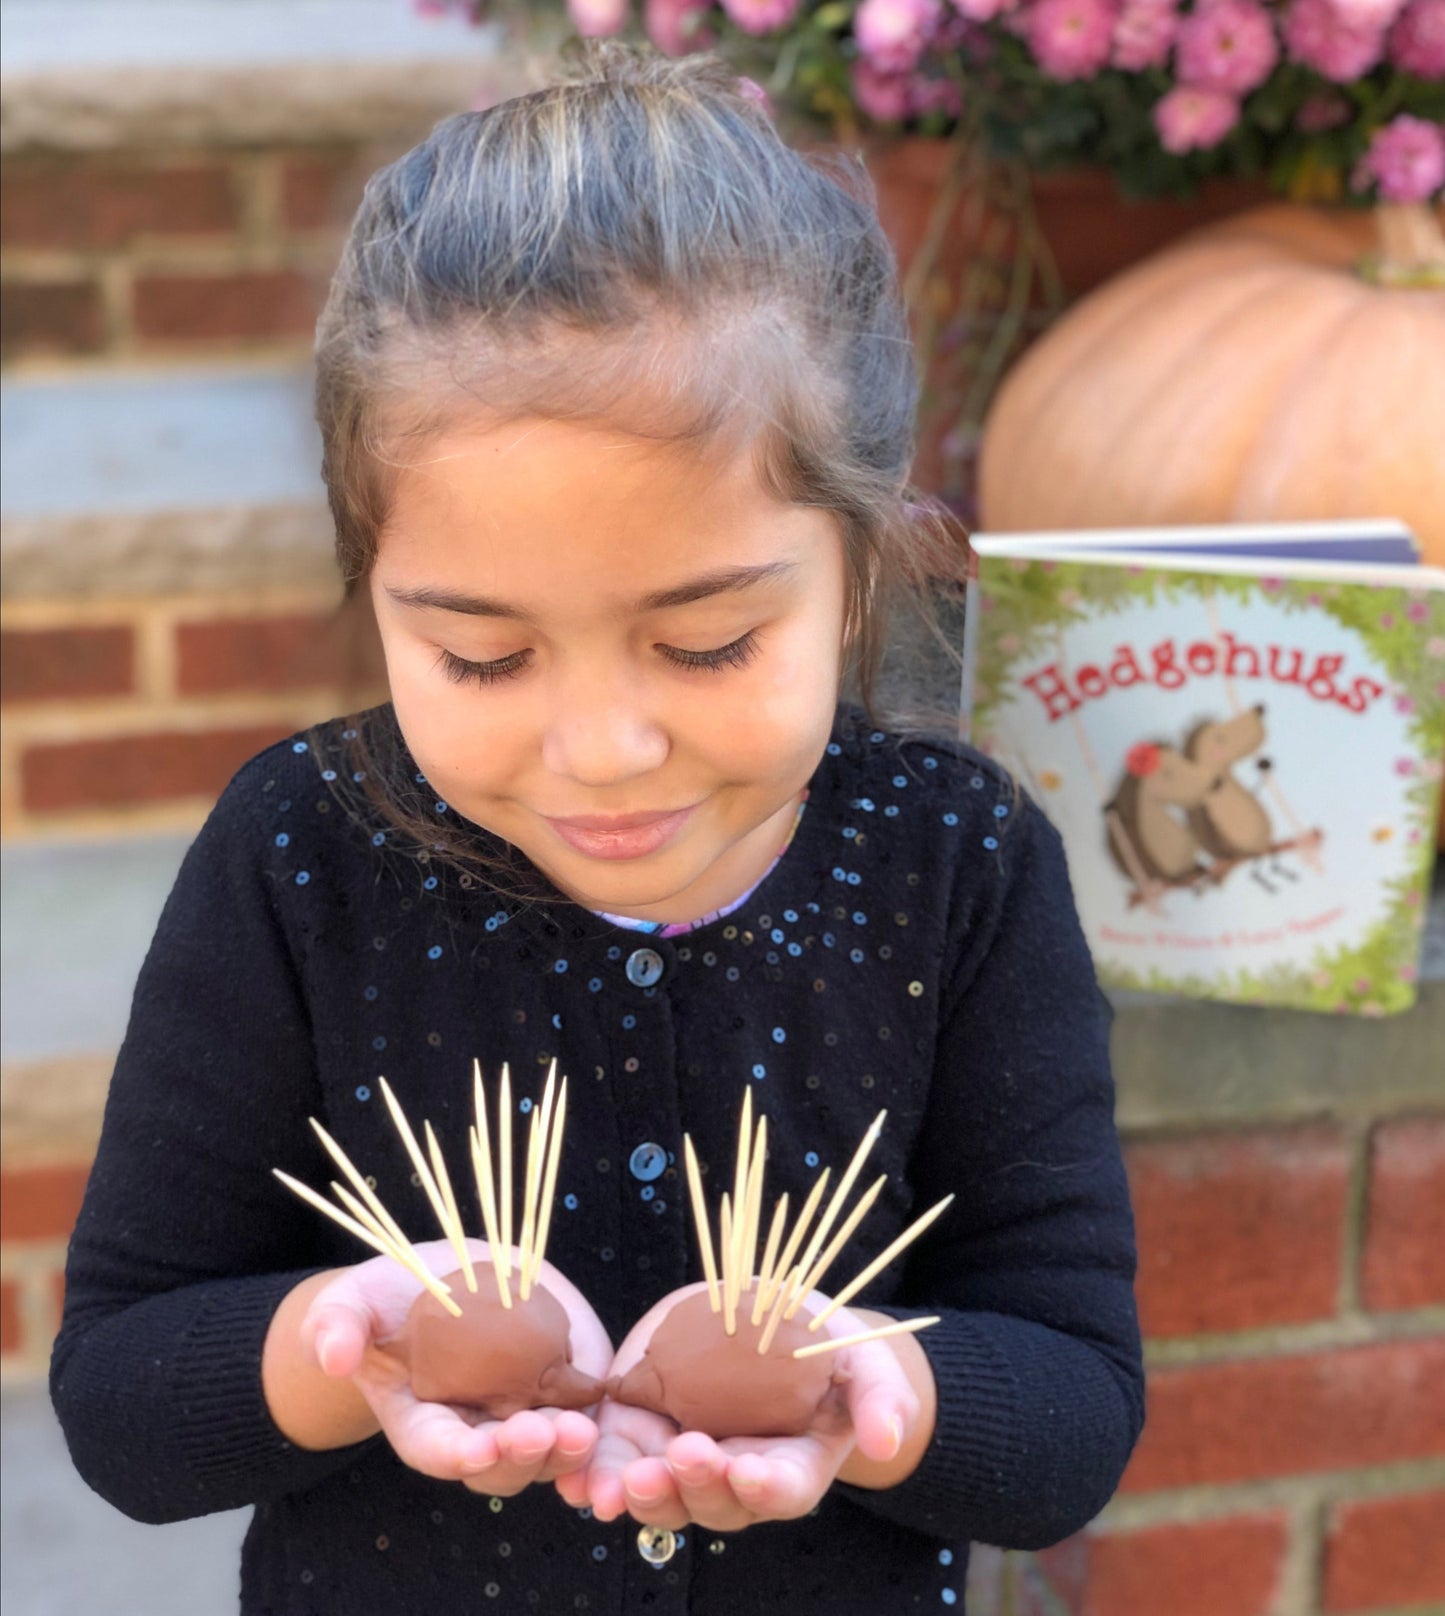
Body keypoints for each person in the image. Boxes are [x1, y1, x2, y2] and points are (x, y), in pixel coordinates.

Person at [50, 43, 1143, 1616]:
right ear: (371, 586)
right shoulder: (302, 859)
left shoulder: (954, 862)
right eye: (480, 657)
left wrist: (879, 1394)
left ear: (864, 560)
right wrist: (343, 1341)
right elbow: (123, 1405)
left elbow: (1074, 1407)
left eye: (705, 644)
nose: (606, 751)